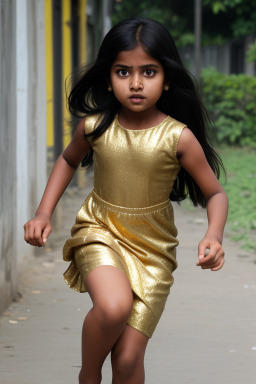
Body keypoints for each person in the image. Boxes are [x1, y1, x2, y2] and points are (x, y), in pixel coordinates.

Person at [24, 17, 228, 384]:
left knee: (130, 359)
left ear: (167, 79)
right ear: (108, 77)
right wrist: (43, 212)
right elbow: (69, 159)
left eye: (149, 72)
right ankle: (88, 375)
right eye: (123, 72)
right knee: (113, 305)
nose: (136, 83)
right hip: (99, 231)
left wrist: (214, 235)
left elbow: (215, 193)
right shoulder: (95, 126)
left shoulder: (178, 137)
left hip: (154, 251)